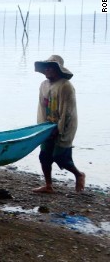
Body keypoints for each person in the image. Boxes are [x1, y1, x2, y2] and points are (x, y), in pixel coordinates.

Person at [33, 55, 85, 193]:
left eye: (52, 67)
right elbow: (41, 107)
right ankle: (48, 185)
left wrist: (59, 128)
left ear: (58, 70)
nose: (48, 69)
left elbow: (67, 111)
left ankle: (79, 175)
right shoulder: (43, 85)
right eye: (47, 67)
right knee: (44, 156)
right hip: (48, 125)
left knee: (60, 156)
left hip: (65, 126)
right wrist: (42, 128)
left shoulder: (65, 86)